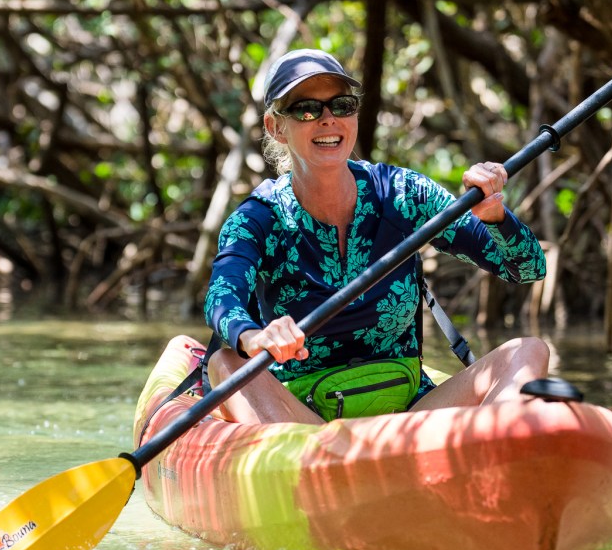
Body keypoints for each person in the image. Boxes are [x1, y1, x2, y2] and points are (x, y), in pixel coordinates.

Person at [204, 48, 549, 424]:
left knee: (528, 350)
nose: (328, 120)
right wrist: (254, 337)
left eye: (342, 105)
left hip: (407, 416)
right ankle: (318, 470)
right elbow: (222, 299)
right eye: (307, 109)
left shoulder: (404, 195)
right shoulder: (258, 219)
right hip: (304, 426)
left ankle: (496, 458)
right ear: (276, 127)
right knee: (226, 362)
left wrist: (495, 216)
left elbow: (528, 268)